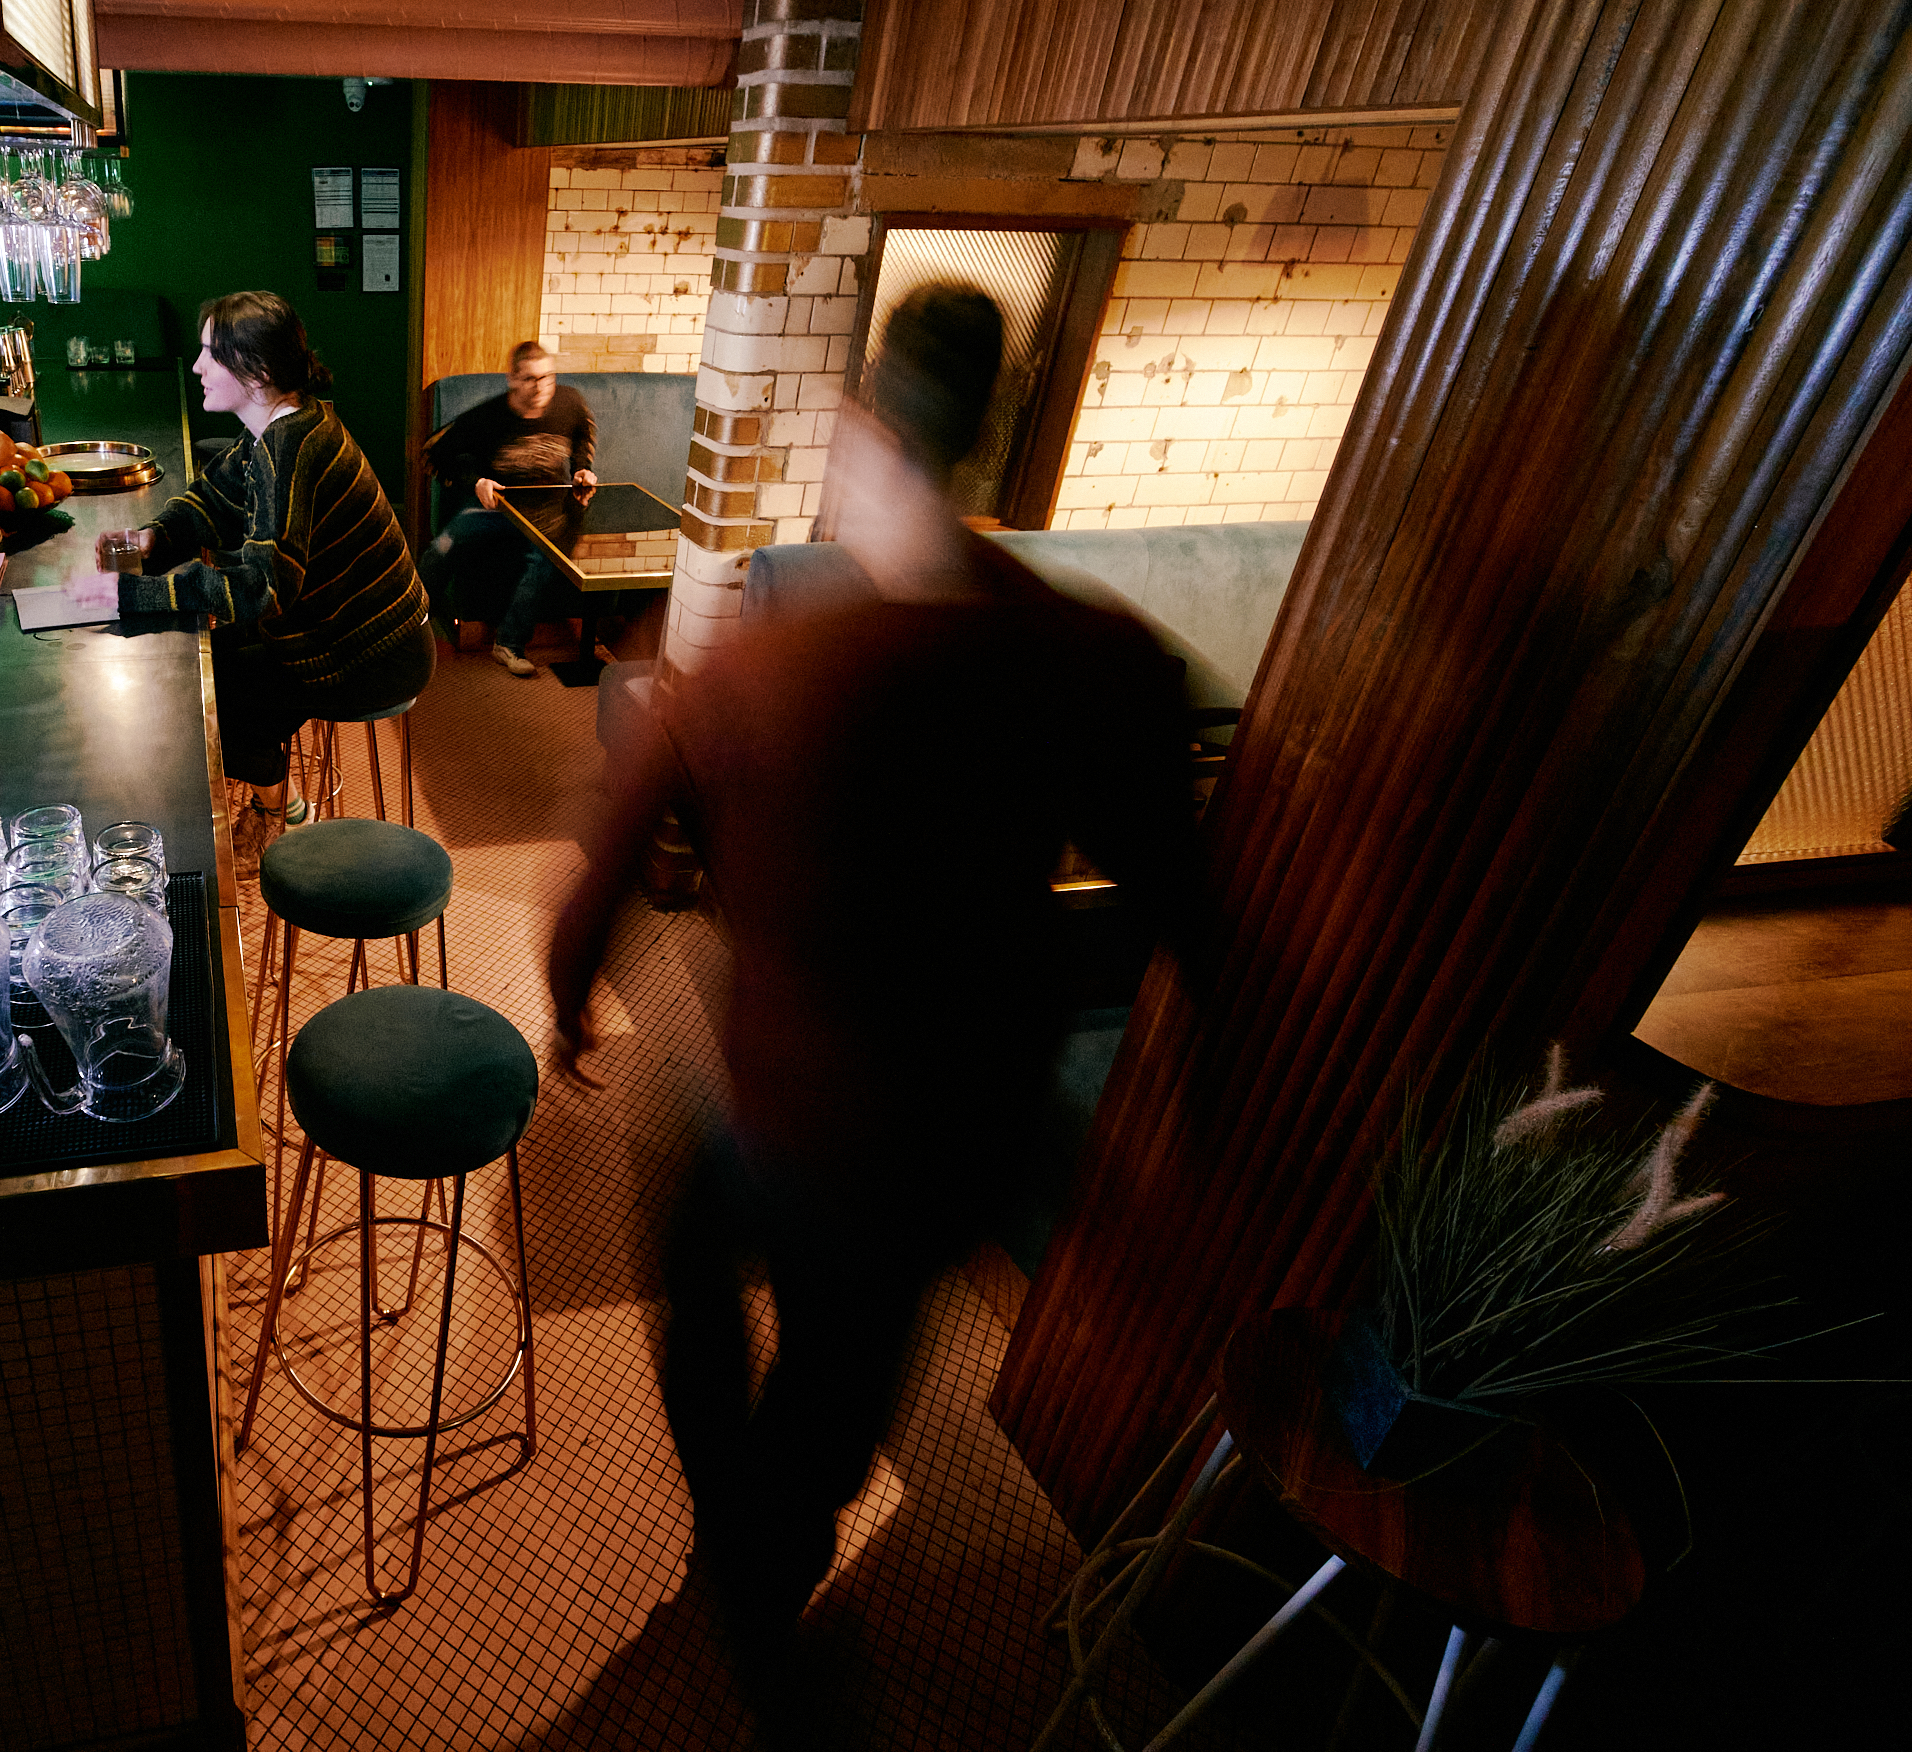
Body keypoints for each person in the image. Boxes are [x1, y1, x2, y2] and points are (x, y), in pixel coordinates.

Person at [545, 284, 1201, 1732]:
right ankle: (775, 1539)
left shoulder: (767, 670)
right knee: (837, 1358)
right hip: (961, 1125)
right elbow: (1177, 883)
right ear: (978, 440)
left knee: (710, 1272)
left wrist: (568, 994)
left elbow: (611, 854)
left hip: (801, 1110)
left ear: (857, 435)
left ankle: (755, 1579)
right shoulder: (1082, 653)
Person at [69, 292, 430, 865]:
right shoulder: (279, 425)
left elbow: (262, 588)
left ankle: (279, 809)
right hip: (342, 628)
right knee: (209, 663)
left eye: (211, 353)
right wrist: (154, 539)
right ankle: (275, 797)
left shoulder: (290, 449)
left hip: (373, 652)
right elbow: (217, 493)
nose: (197, 367)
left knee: (214, 699)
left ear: (256, 371)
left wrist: (133, 594)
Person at [419, 341, 596, 675]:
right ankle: (406, 622)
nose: (541, 387)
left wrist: (582, 469)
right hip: (497, 509)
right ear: (512, 379)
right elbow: (433, 451)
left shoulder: (570, 401)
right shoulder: (488, 416)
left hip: (550, 513)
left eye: (548, 377)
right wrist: (475, 481)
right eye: (530, 379)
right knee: (446, 542)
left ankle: (508, 645)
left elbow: (583, 433)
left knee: (541, 560)